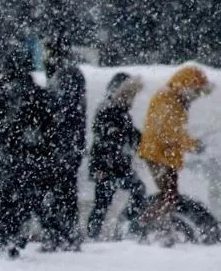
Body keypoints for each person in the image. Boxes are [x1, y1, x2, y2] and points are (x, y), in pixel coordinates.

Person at [0, 46, 54, 258]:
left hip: (3, 155)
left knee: (1, 198)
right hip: (28, 155)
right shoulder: (36, 92)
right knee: (22, 200)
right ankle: (15, 235)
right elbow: (48, 126)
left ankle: (1, 236)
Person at [138, 66, 214, 245]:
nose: (197, 97)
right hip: (158, 155)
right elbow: (167, 132)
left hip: (165, 155)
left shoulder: (175, 99)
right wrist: (192, 144)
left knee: (170, 196)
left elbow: (172, 131)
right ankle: (147, 225)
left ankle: (159, 227)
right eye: (197, 92)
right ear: (187, 86)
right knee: (169, 196)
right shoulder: (167, 99)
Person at [87, 73, 146, 239]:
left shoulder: (122, 113)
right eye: (130, 95)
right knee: (103, 203)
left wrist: (145, 142)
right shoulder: (107, 111)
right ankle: (97, 233)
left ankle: (124, 223)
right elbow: (107, 141)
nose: (132, 100)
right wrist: (101, 168)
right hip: (106, 167)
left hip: (118, 166)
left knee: (107, 202)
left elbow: (132, 136)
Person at [42, 34, 87, 251]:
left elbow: (62, 111)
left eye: (47, 50)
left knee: (61, 191)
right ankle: (63, 234)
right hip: (66, 145)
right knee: (63, 191)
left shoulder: (66, 75)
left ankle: (62, 235)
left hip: (62, 146)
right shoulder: (68, 73)